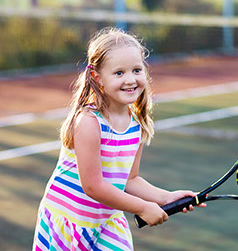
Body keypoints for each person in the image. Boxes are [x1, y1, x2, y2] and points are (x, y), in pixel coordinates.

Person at [33, 27, 205, 251]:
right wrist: (143, 208)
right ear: (97, 77)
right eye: (119, 73)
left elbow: (130, 180)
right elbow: (93, 186)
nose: (130, 79)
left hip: (107, 224)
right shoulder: (88, 121)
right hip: (66, 224)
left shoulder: (137, 124)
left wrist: (165, 197)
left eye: (136, 70)